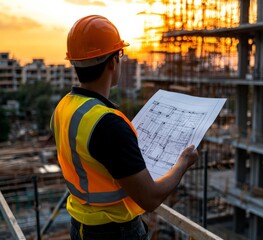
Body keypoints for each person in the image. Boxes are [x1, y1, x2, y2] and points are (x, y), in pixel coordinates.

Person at [50, 15, 198, 240]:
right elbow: (149, 198)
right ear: (112, 62)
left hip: (80, 225)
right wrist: (183, 163)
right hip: (114, 232)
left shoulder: (64, 107)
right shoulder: (109, 125)